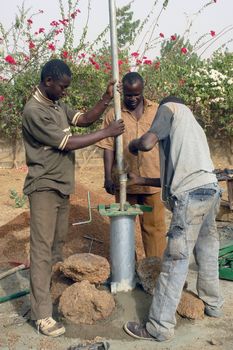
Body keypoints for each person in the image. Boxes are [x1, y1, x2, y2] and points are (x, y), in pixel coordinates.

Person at [22, 59, 124, 337]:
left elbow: (84, 119)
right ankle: (41, 315)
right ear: (48, 83)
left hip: (62, 185)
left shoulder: (55, 104)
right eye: (63, 87)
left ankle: (48, 297)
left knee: (56, 247)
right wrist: (107, 133)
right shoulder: (34, 111)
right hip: (44, 187)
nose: (66, 92)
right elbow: (68, 142)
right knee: (42, 251)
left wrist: (105, 98)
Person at [123, 96, 223, 342]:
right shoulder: (193, 126)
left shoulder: (170, 109)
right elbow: (177, 176)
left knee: (175, 260)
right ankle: (213, 304)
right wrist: (142, 180)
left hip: (192, 196)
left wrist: (133, 144)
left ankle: (158, 326)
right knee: (208, 248)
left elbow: (147, 143)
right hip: (210, 189)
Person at [97, 72, 166, 259]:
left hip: (152, 182)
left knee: (155, 230)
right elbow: (108, 146)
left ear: (142, 91)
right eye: (128, 95)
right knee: (124, 229)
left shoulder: (158, 111)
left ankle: (155, 271)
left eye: (137, 94)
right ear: (123, 92)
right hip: (124, 181)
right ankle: (127, 272)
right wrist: (107, 177)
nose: (133, 99)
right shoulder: (114, 114)